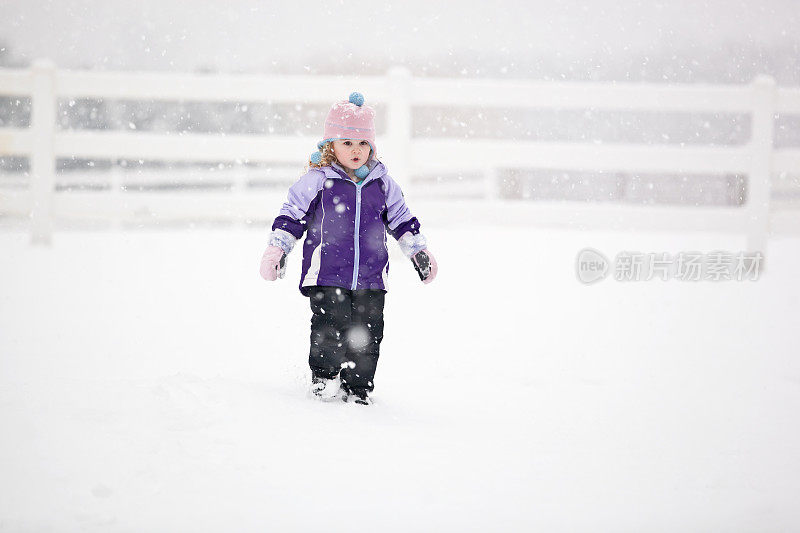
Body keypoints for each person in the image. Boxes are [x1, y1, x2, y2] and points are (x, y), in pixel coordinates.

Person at [259, 92, 438, 406]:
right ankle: (324, 378)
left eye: (363, 144)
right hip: (327, 273)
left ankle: (358, 389)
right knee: (330, 326)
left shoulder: (382, 183)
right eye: (347, 143)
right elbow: (292, 215)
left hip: (371, 277)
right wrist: (277, 249)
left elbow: (401, 219)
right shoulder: (317, 181)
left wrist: (418, 252)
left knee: (367, 335)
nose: (356, 151)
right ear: (330, 145)